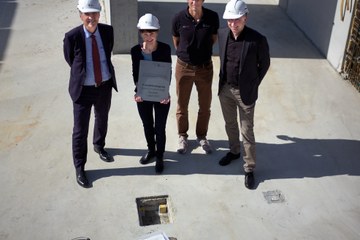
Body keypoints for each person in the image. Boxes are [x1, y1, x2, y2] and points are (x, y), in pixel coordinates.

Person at [63, 0, 118, 188]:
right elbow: (71, 60)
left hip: (104, 86)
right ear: (80, 14)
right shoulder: (72, 37)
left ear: (99, 14)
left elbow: (107, 53)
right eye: (87, 14)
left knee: (102, 118)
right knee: (80, 131)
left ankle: (99, 145)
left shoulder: (107, 31)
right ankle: (80, 167)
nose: (90, 18)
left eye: (94, 13)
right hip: (83, 90)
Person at [218, 0, 270, 189]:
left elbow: (264, 65)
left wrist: (253, 84)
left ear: (245, 18)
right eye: (229, 20)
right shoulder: (223, 34)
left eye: (237, 20)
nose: (233, 24)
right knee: (230, 123)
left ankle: (249, 168)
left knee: (247, 131)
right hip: (225, 89)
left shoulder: (257, 40)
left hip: (245, 93)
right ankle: (233, 151)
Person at [171, 0, 219, 154]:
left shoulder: (212, 17)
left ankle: (202, 136)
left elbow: (213, 39)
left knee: (205, 106)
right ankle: (182, 136)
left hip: (205, 69)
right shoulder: (178, 18)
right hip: (184, 68)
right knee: (182, 104)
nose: (194, 2)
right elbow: (177, 41)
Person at [131, 14, 172, 174]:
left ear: (158, 32)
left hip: (161, 95)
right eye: (145, 33)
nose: (148, 37)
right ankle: (151, 150)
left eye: (152, 33)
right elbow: (135, 73)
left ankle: (160, 156)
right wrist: (138, 91)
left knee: (160, 128)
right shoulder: (135, 51)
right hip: (143, 95)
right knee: (147, 125)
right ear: (140, 32)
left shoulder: (165, 48)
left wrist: (166, 93)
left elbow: (167, 72)